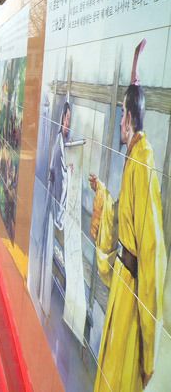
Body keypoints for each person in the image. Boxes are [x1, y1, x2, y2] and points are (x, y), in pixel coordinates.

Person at [89, 81, 166, 391]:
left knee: (120, 374)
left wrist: (149, 343)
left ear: (130, 118)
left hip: (133, 296)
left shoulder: (144, 161)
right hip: (124, 285)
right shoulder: (135, 156)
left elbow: (152, 248)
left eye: (122, 113)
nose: (120, 120)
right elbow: (124, 216)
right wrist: (102, 193)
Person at [38, 102, 72, 316]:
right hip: (53, 207)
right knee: (49, 250)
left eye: (70, 119)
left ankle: (45, 295)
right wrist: (69, 173)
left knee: (49, 252)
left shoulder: (62, 143)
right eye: (66, 119)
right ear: (61, 119)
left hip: (53, 206)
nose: (68, 123)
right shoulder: (59, 145)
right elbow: (57, 175)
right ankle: (45, 297)